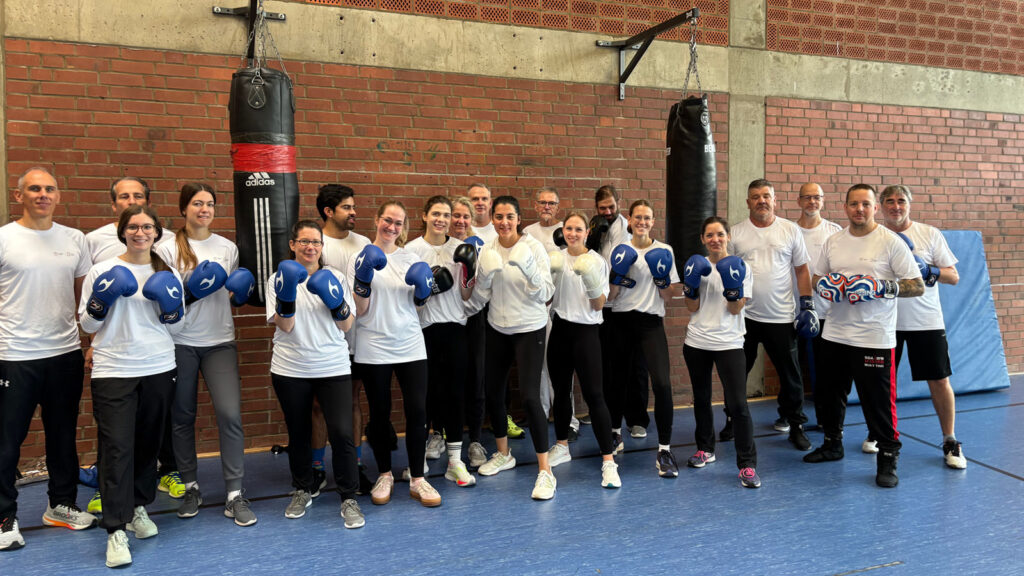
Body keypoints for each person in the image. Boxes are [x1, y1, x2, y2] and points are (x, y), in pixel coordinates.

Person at [79, 204, 186, 567]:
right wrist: (100, 301)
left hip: (158, 366)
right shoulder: (102, 270)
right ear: (123, 231)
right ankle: (115, 530)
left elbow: (177, 327)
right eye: (134, 227)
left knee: (147, 444)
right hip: (113, 369)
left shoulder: (165, 271)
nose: (141, 232)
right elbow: (88, 327)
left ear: (157, 232)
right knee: (116, 448)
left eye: (148, 227)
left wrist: (171, 307)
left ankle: (139, 507)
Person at [0, 167, 96, 552]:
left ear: (58, 196)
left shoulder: (74, 239)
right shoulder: (5, 238)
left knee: (62, 437)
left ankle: (61, 504)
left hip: (64, 354)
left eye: (49, 189)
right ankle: (4, 517)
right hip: (14, 355)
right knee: (7, 442)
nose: (43, 194)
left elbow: (81, 299)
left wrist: (88, 342)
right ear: (19, 195)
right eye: (34, 189)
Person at [803, 184, 924, 488]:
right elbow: (817, 276)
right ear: (845, 207)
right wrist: (826, 285)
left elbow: (917, 285)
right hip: (836, 331)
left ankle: (888, 456)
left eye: (866, 204)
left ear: (874, 208)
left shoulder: (890, 242)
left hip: (874, 336)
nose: (860, 209)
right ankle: (833, 443)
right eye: (854, 204)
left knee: (878, 401)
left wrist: (884, 288)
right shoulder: (834, 242)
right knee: (830, 394)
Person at [155, 183, 257, 526]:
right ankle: (191, 487)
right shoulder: (166, 247)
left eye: (210, 204)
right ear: (184, 208)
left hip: (219, 341)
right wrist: (193, 291)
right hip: (179, 341)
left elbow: (231, 297)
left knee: (230, 414)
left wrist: (239, 294)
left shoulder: (227, 247)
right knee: (182, 417)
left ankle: (234, 494)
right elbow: (162, 300)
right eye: (197, 203)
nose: (204, 209)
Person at [265, 220, 363, 528]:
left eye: (316, 242)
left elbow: (347, 326)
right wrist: (287, 294)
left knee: (342, 432)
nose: (311, 247)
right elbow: (286, 326)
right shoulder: (277, 279)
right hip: (290, 367)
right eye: (304, 241)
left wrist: (335, 303)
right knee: (298, 433)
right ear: (293, 244)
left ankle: (348, 497)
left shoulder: (334, 276)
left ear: (322, 246)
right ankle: (302, 488)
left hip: (332, 365)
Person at [349, 202, 441, 507]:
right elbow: (359, 310)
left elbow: (417, 306)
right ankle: (385, 473)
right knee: (379, 414)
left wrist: (423, 291)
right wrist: (362, 279)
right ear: (376, 220)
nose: (392, 227)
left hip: (410, 344)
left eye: (398, 223)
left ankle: (418, 478)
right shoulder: (358, 258)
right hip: (373, 345)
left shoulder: (410, 258)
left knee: (418, 411)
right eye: (387, 220)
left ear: (404, 227)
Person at [473, 196, 558, 500]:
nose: (504, 222)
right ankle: (503, 454)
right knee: (494, 392)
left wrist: (530, 272)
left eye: (509, 216)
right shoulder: (488, 249)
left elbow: (547, 293)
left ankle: (545, 471)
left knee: (531, 398)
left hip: (528, 329)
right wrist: (484, 277)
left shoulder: (533, 248)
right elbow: (478, 299)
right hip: (497, 327)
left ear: (519, 218)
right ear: (492, 219)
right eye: (498, 217)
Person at [725, 179, 815, 451]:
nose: (761, 201)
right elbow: (726, 271)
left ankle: (795, 425)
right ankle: (733, 419)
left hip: (781, 317)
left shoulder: (790, 230)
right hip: (745, 318)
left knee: (791, 376)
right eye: (755, 196)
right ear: (748, 202)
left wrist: (807, 304)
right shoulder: (737, 232)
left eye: (766, 196)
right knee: (737, 374)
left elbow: (801, 269)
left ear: (775, 201)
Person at [879, 184, 965, 469]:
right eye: (889, 201)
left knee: (939, 380)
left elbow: (954, 276)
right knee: (880, 383)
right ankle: (878, 433)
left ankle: (950, 440)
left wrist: (931, 270)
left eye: (900, 200)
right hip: (884, 322)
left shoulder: (929, 234)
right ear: (880, 206)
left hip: (925, 321)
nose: (895, 206)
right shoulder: (874, 236)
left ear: (909, 204)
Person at [681, 217, 760, 488]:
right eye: (710, 235)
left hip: (729, 343)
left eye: (720, 234)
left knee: (738, 404)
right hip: (697, 342)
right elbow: (692, 308)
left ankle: (747, 465)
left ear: (728, 237)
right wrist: (690, 286)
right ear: (703, 239)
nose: (715, 239)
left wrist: (732, 289)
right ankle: (705, 449)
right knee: (701, 398)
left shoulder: (741, 268)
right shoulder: (696, 266)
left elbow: (736, 309)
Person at [544, 212, 620, 488]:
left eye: (578, 229)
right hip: (561, 329)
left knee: (594, 396)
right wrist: (549, 277)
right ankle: (562, 445)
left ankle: (608, 461)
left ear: (586, 232)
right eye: (568, 228)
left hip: (587, 333)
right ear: (562, 231)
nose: (572, 233)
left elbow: (600, 304)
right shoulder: (556, 258)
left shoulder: (597, 262)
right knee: (561, 391)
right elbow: (547, 299)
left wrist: (589, 279)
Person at [607, 200, 681, 477]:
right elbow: (611, 295)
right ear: (629, 219)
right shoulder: (619, 250)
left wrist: (662, 280)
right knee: (618, 381)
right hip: (622, 319)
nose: (642, 222)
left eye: (647, 217)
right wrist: (617, 277)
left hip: (651, 322)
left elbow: (670, 296)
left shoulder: (664, 250)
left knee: (662, 383)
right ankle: (615, 432)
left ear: (653, 220)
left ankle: (664, 449)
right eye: (638, 217)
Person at [407, 196, 477, 487]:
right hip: (422, 330)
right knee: (423, 397)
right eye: (436, 213)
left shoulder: (459, 249)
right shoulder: (411, 250)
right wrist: (427, 291)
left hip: (455, 329)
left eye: (446, 215)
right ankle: (418, 461)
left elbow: (465, 296)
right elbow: (408, 301)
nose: (442, 219)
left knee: (455, 395)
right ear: (424, 215)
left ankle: (455, 463)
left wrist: (470, 272)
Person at [317, 184, 373, 492]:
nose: (354, 212)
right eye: (347, 208)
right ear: (328, 211)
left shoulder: (363, 243)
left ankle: (356, 463)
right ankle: (316, 467)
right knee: (317, 406)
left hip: (356, 335)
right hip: (322, 338)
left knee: (353, 400)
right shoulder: (315, 243)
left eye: (353, 206)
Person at [590, 185, 648, 449]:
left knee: (635, 363)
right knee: (606, 364)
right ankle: (607, 416)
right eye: (603, 208)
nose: (608, 212)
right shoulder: (596, 226)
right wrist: (594, 236)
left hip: (627, 303)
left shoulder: (628, 228)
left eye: (611, 207)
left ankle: (637, 419)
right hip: (602, 307)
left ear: (619, 204)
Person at [523, 186, 580, 440]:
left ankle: (570, 420)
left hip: (563, 306)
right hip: (537, 306)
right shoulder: (527, 233)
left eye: (551, 203)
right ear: (535, 205)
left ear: (558, 206)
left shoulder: (568, 231)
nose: (546, 206)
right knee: (541, 365)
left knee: (562, 366)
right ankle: (543, 412)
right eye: (542, 202)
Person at [794, 183, 842, 409]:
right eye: (807, 197)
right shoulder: (789, 230)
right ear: (799, 201)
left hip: (826, 311)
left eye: (817, 197)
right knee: (791, 366)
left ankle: (825, 414)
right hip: (791, 310)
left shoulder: (834, 231)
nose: (812, 202)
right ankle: (789, 413)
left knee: (826, 367)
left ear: (823, 201)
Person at [451, 197, 490, 468]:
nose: (460, 221)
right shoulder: (440, 248)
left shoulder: (480, 249)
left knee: (477, 378)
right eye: (456, 215)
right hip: (445, 322)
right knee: (445, 381)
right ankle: (442, 434)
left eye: (465, 216)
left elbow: (485, 289)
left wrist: (468, 308)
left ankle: (475, 439)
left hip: (474, 318)